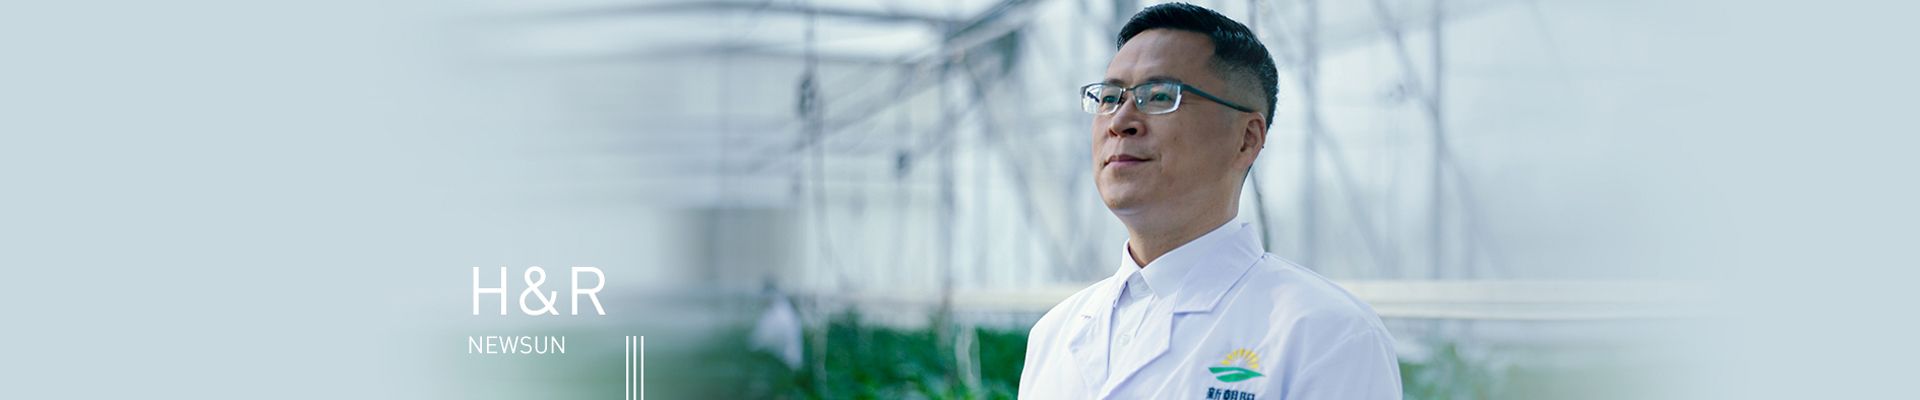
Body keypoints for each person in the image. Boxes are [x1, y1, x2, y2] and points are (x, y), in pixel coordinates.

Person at [1018, 3, 1402, 399]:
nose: (1119, 122)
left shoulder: (1328, 335)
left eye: (1159, 95)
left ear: (1246, 139)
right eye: (1110, 97)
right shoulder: (1054, 334)